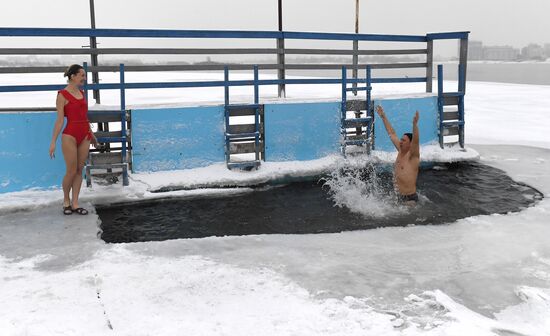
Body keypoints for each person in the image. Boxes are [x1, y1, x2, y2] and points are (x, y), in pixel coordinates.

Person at [49, 64, 97, 215]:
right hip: (69, 134)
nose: (84, 78)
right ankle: (66, 201)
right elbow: (59, 120)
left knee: (79, 170)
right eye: (82, 75)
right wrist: (53, 142)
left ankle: (75, 203)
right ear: (73, 76)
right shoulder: (62, 95)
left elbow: (85, 118)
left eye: (84, 75)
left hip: (85, 135)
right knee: (70, 171)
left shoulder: (82, 93)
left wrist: (93, 136)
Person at [375, 105, 420, 205]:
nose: (400, 141)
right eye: (401, 139)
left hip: (410, 199)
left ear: (410, 144)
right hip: (398, 197)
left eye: (404, 140)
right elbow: (391, 132)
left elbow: (416, 142)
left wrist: (414, 125)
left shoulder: (413, 157)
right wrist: (383, 116)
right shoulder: (400, 150)